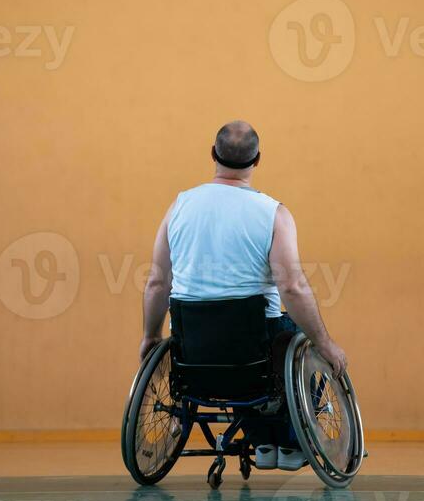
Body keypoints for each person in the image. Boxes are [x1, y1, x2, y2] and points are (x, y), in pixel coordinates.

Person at [140, 120, 348, 472]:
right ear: (257, 160)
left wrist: (150, 336)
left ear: (212, 155)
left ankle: (262, 441)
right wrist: (325, 343)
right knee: (295, 335)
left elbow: (158, 283)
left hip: (194, 351)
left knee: (236, 339)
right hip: (252, 351)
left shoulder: (179, 207)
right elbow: (293, 286)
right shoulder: (273, 213)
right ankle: (290, 443)